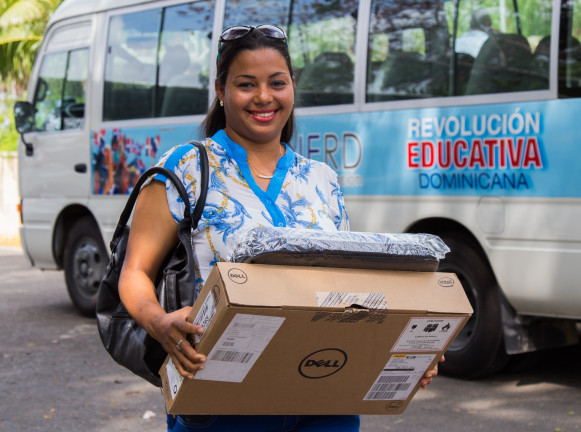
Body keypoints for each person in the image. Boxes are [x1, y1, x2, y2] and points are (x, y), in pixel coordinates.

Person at [117, 24, 442, 432]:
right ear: (220, 90)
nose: (264, 97)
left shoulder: (322, 180)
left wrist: (406, 349)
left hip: (326, 396)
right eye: (246, 84)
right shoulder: (184, 169)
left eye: (277, 83)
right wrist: (158, 322)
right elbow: (134, 272)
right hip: (221, 401)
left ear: (292, 87)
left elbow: (351, 291)